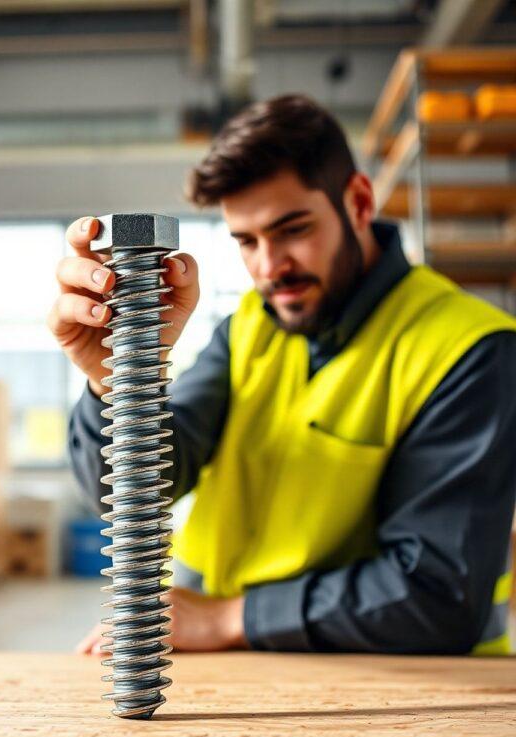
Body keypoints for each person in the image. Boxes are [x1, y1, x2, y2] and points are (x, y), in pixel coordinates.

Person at [48, 94, 516, 656]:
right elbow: (137, 487)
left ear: (360, 203)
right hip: (234, 667)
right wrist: (118, 383)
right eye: (246, 241)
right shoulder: (247, 327)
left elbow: (437, 595)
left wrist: (226, 619)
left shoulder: (470, 348)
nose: (269, 267)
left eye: (292, 229)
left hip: (413, 696)